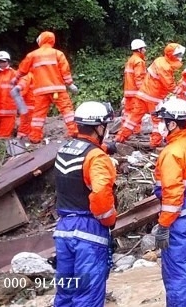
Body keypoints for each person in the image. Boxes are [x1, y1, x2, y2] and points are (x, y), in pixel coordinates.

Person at [52, 101, 117, 307]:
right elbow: (100, 193)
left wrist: (106, 148)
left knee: (66, 291)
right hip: (88, 231)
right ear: (99, 127)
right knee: (88, 293)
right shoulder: (97, 158)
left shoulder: (65, 150)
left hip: (64, 229)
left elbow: (83, 151)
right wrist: (108, 220)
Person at [152, 97, 186, 307]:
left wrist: (164, 225)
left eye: (162, 121)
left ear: (172, 123)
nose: (159, 125)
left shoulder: (171, 153)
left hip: (179, 217)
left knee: (176, 271)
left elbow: (173, 195)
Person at [116, 43, 185, 148]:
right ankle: (155, 143)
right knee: (158, 120)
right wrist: (181, 91)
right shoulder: (165, 66)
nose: (179, 57)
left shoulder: (159, 60)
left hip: (143, 95)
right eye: (178, 55)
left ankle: (120, 137)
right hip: (154, 98)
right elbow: (169, 84)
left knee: (132, 118)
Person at [14, 31, 78, 143]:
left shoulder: (32, 55)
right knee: (67, 110)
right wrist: (70, 84)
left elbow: (22, 69)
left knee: (38, 115)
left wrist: (15, 78)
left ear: (40, 40)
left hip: (41, 91)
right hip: (58, 89)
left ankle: (35, 137)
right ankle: (73, 131)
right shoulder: (58, 53)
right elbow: (65, 70)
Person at [122, 39, 147, 134]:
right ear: (139, 49)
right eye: (144, 48)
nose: (145, 50)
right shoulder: (139, 62)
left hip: (128, 92)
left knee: (128, 114)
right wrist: (143, 92)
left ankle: (125, 132)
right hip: (136, 93)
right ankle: (135, 133)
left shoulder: (130, 60)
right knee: (136, 114)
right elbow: (139, 78)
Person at [14, 73, 35, 140]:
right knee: (27, 121)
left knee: (27, 121)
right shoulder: (31, 76)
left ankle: (23, 137)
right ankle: (23, 137)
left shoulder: (29, 76)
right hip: (30, 104)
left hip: (30, 104)